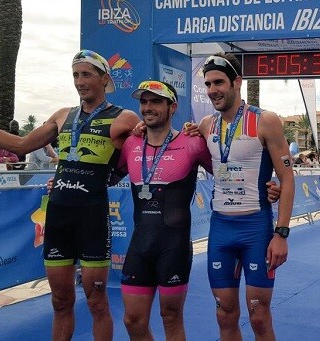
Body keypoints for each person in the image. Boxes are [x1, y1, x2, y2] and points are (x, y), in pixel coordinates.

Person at [0, 49, 140, 340]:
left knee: (97, 303)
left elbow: (143, 155)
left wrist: (109, 176)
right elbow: (19, 146)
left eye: (87, 74)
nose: (80, 81)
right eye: (75, 75)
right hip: (58, 219)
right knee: (60, 302)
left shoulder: (125, 118)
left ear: (104, 79)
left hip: (91, 218)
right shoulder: (62, 116)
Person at [198, 52, 295, 340]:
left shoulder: (265, 120)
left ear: (236, 82)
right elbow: (213, 165)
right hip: (220, 229)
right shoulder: (205, 125)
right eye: (207, 84)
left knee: (259, 316)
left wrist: (282, 234)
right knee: (224, 314)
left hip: (256, 229)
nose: (212, 90)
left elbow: (287, 177)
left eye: (218, 82)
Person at [114, 80, 212, 340]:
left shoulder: (193, 143)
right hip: (140, 245)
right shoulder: (131, 144)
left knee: (171, 318)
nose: (148, 107)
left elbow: (228, 171)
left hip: (174, 246)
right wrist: (61, 179)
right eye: (144, 102)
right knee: (133, 320)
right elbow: (107, 176)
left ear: (173, 107)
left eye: (156, 101)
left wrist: (267, 185)